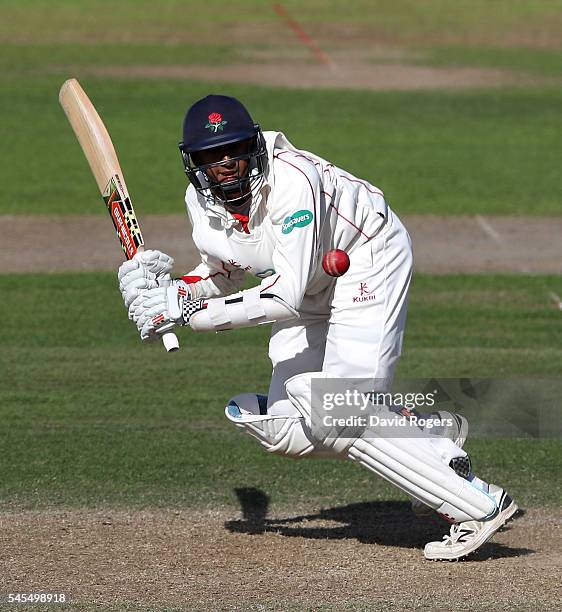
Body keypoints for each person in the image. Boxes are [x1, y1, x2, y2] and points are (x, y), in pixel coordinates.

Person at [118, 94, 518, 560]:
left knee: (336, 411)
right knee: (285, 428)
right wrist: (167, 293)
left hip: (366, 259)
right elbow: (223, 270)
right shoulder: (200, 201)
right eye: (212, 155)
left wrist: (187, 315)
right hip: (307, 279)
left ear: (254, 146)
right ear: (194, 163)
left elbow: (284, 297)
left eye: (235, 149)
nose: (226, 163)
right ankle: (426, 436)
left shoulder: (293, 183)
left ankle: (478, 506)